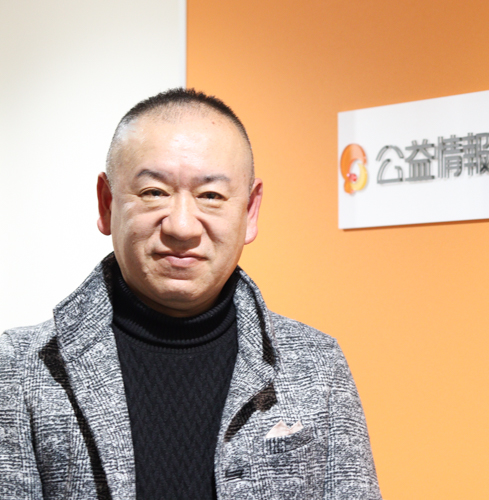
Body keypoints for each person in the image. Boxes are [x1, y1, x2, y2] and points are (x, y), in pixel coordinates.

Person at [0, 88, 381, 500]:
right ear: (107, 203)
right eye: (154, 192)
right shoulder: (19, 368)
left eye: (211, 196)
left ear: (250, 210)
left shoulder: (317, 363)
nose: (181, 227)